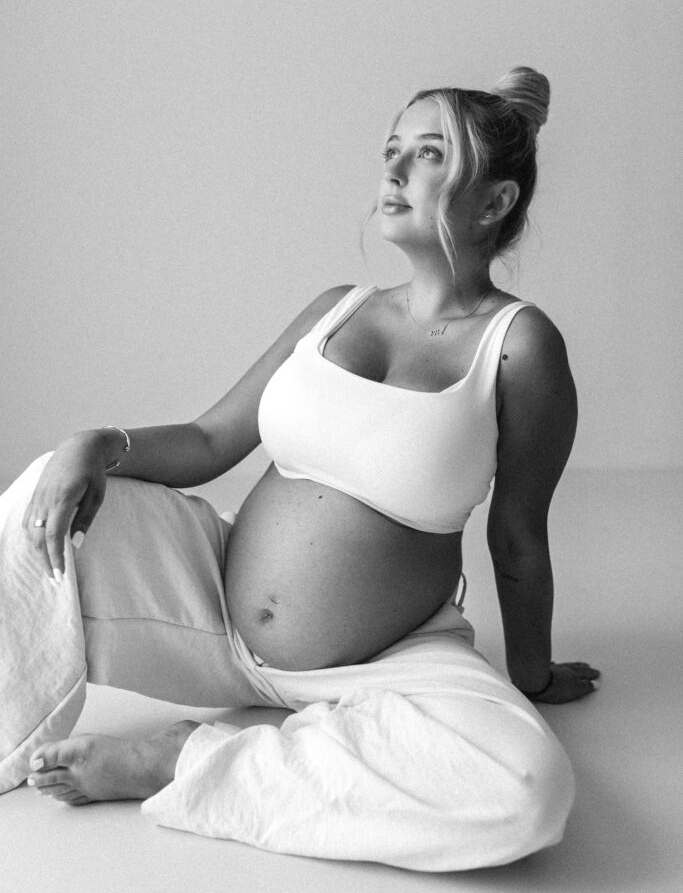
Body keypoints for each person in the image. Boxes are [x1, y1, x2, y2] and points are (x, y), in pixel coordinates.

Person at [0, 66, 599, 872]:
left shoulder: (520, 347)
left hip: (388, 656)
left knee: (524, 791)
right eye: (392, 149)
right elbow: (211, 442)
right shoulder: (335, 309)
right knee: (48, 486)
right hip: (206, 609)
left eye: (427, 155)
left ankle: (187, 763)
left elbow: (518, 535)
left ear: (493, 202)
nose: (392, 170)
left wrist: (531, 674)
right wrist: (96, 443)